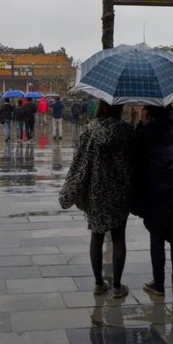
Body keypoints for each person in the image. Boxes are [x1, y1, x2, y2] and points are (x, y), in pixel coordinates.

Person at [59, 100, 136, 299]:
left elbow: (79, 160)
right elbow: (135, 159)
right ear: (119, 108)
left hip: (96, 190)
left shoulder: (89, 130)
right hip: (120, 190)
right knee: (119, 237)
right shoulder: (126, 131)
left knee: (97, 235)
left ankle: (98, 283)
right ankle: (118, 286)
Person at [132, 105, 173, 299]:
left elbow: (137, 155)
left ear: (149, 112)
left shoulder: (149, 132)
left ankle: (158, 284)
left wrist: (139, 124)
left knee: (157, 239)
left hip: (158, 192)